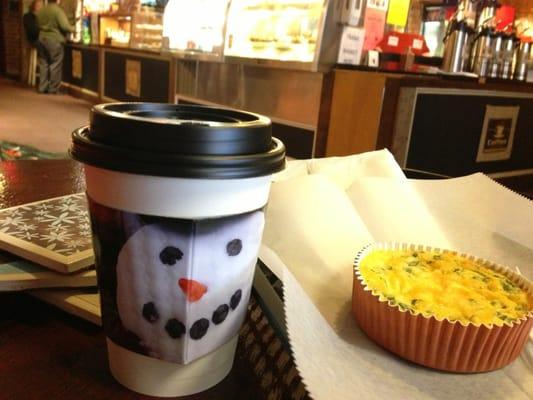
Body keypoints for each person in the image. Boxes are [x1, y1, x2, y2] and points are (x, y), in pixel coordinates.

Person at [36, 0, 74, 94]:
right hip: (54, 39)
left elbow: (37, 24)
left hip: (41, 38)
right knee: (55, 64)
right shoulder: (57, 11)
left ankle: (42, 87)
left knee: (43, 63)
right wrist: (74, 28)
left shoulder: (42, 10)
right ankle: (53, 89)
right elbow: (65, 26)